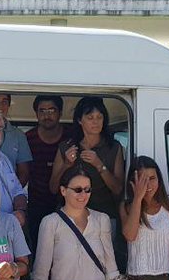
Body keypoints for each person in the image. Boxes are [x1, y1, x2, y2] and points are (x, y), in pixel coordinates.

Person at [48, 97, 125, 228]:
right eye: (90, 118)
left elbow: (118, 189)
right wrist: (66, 165)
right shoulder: (66, 146)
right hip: (69, 218)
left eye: (99, 117)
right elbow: (53, 188)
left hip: (103, 217)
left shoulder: (114, 147)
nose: (95, 122)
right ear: (79, 120)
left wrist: (99, 165)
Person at [25, 95, 67, 250]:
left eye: (51, 110)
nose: (46, 115)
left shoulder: (71, 136)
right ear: (36, 114)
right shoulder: (28, 139)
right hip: (37, 204)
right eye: (42, 111)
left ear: (60, 113)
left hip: (67, 203)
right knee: (39, 249)